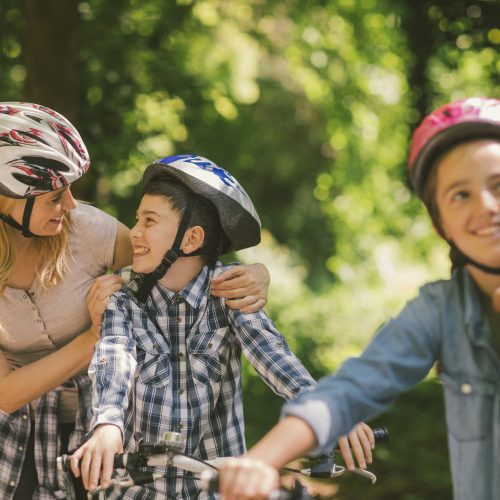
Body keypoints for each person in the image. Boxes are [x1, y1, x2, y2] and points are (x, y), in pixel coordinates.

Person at [216, 97, 500, 500]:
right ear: (440, 223)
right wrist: (261, 460)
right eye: (460, 195)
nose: (485, 206)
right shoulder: (440, 311)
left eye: (498, 185)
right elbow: (351, 390)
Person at [0, 103, 271, 500]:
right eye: (55, 196)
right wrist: (92, 339)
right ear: (8, 198)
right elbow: (4, 394)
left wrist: (258, 275)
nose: (71, 204)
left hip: (105, 432)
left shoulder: (87, 231)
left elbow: (182, 259)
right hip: (18, 436)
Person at [69, 154, 375, 499]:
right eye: (137, 219)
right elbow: (114, 357)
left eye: (149, 221)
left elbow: (271, 353)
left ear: (190, 239)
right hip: (135, 490)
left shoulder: (229, 292)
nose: (134, 232)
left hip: (215, 488)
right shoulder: (122, 299)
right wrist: (108, 423)